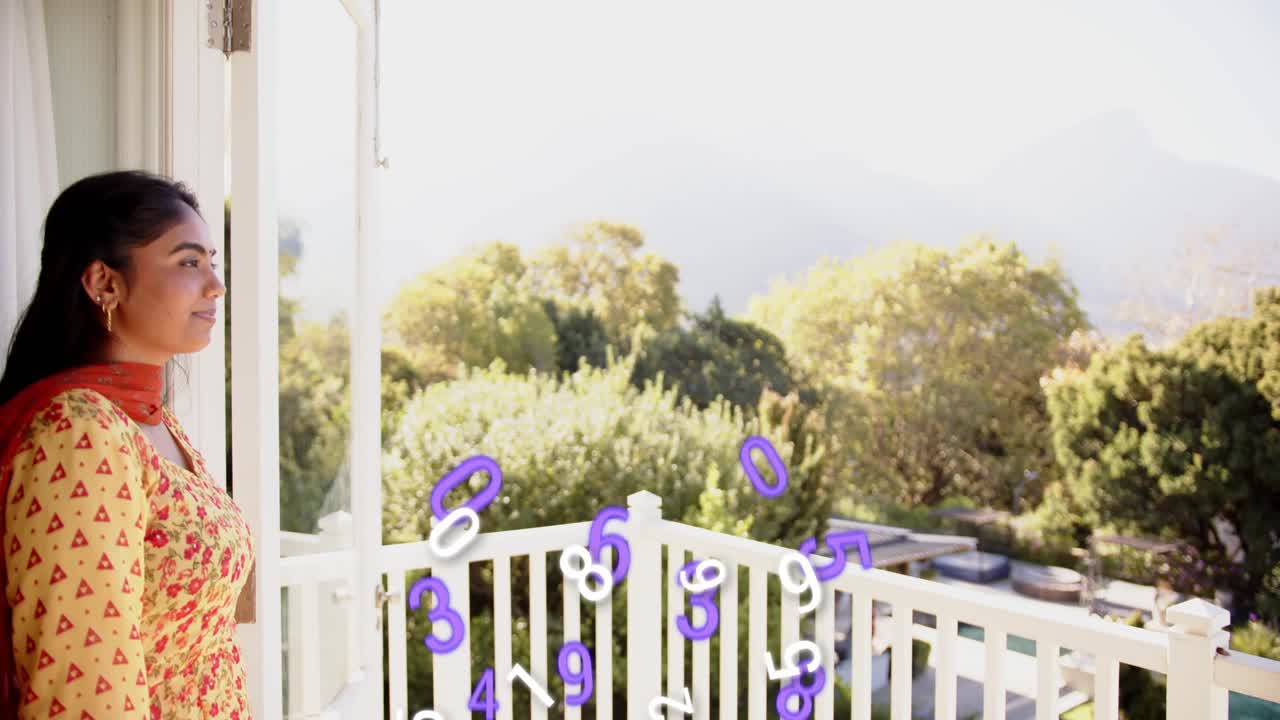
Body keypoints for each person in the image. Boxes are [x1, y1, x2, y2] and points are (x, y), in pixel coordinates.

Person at [0, 171, 253, 719]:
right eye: (189, 262)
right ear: (105, 284)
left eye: (212, 261)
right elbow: (84, 689)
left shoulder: (149, 423)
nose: (216, 285)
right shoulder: (78, 432)